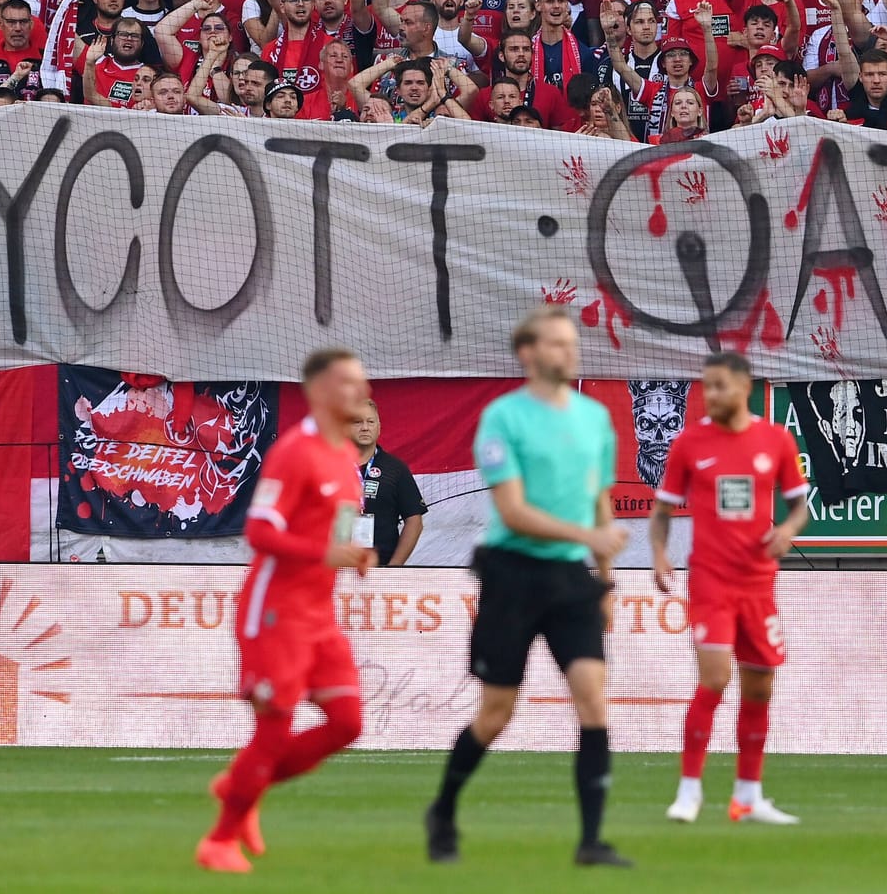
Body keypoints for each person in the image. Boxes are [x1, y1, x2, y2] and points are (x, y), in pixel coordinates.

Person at [426, 306, 631, 868]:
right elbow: (513, 512)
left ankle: (592, 841)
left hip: (571, 580)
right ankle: (442, 810)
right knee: (496, 714)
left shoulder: (594, 419)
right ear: (529, 353)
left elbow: (599, 499)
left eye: (573, 342)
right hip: (512, 574)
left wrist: (607, 583)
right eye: (558, 343)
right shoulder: (503, 418)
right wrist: (591, 534)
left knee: (593, 699)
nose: (570, 352)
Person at [198, 347, 376, 874]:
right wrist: (322, 552)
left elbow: (335, 534)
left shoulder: (345, 459)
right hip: (274, 612)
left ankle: (241, 788)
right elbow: (260, 531)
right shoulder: (295, 452)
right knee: (274, 732)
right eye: (349, 383)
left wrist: (352, 554)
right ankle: (220, 841)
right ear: (319, 390)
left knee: (347, 723)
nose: (361, 393)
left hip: (318, 614)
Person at [648, 351, 809, 825]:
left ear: (744, 386)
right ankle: (690, 790)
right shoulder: (689, 443)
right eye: (706, 386)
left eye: (718, 386)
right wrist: (659, 554)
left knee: (759, 687)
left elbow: (799, 505)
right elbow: (661, 514)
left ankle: (747, 796)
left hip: (759, 583)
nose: (710, 395)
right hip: (712, 580)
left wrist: (787, 531)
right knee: (715, 678)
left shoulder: (775, 440)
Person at [354, 399, 429, 566]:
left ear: (379, 427)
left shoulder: (395, 469)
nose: (365, 427)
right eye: (357, 422)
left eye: (370, 421)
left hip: (381, 569)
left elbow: (414, 521)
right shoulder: (329, 466)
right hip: (333, 573)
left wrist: (393, 567)